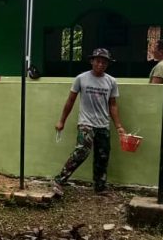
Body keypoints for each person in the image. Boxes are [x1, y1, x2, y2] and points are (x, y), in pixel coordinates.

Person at [53, 48, 126, 196]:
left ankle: (99, 187)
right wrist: (62, 121)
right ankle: (59, 180)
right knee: (82, 151)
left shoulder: (111, 81)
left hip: (103, 124)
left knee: (103, 155)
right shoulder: (81, 78)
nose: (101, 64)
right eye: (98, 61)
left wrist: (118, 126)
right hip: (86, 123)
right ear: (92, 61)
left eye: (104, 62)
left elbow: (112, 105)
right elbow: (71, 100)